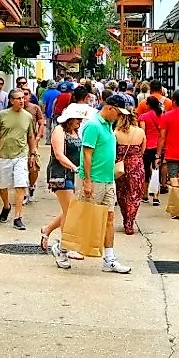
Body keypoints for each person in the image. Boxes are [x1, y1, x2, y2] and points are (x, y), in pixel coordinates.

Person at [65, 94, 134, 274]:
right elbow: (87, 154)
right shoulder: (93, 125)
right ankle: (62, 248)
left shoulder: (109, 126)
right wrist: (87, 180)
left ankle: (109, 259)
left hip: (107, 179)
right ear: (110, 108)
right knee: (84, 217)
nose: (120, 117)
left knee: (109, 218)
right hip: (93, 179)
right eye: (119, 113)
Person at [40, 106, 86, 269]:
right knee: (72, 210)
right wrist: (74, 167)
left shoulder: (77, 132)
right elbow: (59, 154)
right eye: (77, 119)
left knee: (71, 209)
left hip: (75, 174)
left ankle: (48, 229)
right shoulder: (59, 131)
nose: (80, 122)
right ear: (69, 118)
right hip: (61, 174)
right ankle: (65, 247)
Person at [0, 89, 37, 230]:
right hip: (5, 155)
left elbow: (31, 136)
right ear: (11, 101)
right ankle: (6, 206)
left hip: (21, 155)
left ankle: (18, 217)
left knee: (20, 185)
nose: (22, 100)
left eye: (23, 98)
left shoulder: (28, 116)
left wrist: (32, 154)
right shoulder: (2, 115)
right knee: (4, 186)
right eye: (18, 98)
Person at [113, 96, 147, 235]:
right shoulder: (140, 132)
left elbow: (113, 150)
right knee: (134, 194)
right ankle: (130, 221)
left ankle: (125, 217)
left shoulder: (115, 132)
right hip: (136, 164)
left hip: (120, 165)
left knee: (122, 193)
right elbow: (142, 150)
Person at [140, 95, 163, 206]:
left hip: (147, 146)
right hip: (158, 146)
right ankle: (156, 196)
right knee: (156, 170)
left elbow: (143, 133)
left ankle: (144, 194)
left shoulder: (143, 117)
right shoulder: (161, 115)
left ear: (148, 105)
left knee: (146, 170)